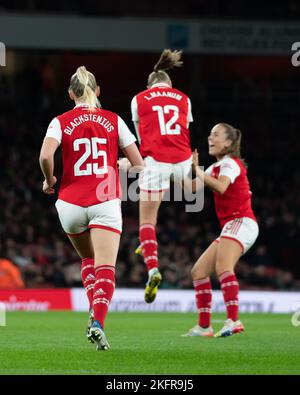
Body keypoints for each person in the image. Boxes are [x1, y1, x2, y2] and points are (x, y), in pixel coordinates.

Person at [39, 66, 143, 350]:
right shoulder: (114, 120)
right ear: (97, 91)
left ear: (71, 93)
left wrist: (50, 180)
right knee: (105, 267)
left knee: (88, 260)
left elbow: (46, 155)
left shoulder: (59, 121)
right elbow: (139, 165)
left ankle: (93, 315)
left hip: (69, 203)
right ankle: (97, 321)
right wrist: (121, 165)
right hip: (105, 200)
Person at [183, 123, 259, 338]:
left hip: (242, 221)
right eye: (209, 133)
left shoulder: (230, 164)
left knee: (223, 266)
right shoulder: (214, 167)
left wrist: (196, 170)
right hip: (232, 225)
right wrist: (174, 170)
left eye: (215, 134)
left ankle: (233, 320)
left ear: (228, 143)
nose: (210, 137)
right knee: (198, 272)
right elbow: (191, 189)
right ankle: (204, 326)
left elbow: (221, 187)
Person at [131, 49, 193, 303]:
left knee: (147, 221)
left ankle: (153, 268)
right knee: (186, 189)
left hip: (156, 160)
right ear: (170, 85)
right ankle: (145, 244)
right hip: (183, 160)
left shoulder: (139, 99)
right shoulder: (184, 98)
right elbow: (184, 129)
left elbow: (140, 135)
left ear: (149, 85)